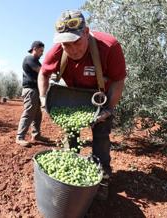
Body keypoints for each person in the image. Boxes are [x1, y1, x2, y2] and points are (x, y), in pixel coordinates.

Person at [38, 10, 126, 199]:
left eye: (76, 42)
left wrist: (109, 108)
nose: (72, 49)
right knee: (71, 136)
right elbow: (43, 73)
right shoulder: (58, 50)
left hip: (99, 99)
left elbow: (118, 80)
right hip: (73, 100)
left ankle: (102, 178)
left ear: (86, 32)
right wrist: (44, 99)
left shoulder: (109, 46)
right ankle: (71, 170)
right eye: (66, 44)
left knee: (101, 138)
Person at [16, 41, 48, 147]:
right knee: (29, 112)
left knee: (38, 114)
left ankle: (36, 135)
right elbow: (42, 72)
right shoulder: (30, 59)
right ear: (35, 48)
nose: (42, 53)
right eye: (41, 51)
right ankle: (20, 137)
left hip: (36, 90)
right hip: (30, 90)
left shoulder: (36, 61)